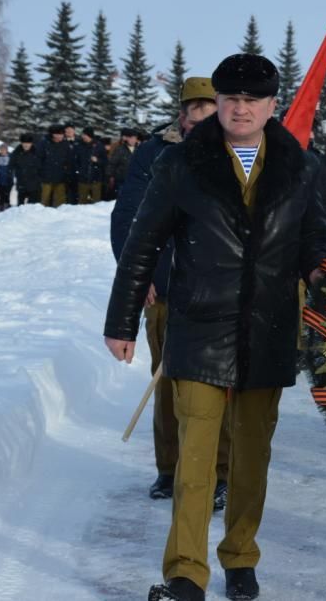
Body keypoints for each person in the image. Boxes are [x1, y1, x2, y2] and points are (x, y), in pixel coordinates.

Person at [104, 53, 326, 601]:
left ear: (272, 106)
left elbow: (316, 242)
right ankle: (185, 571)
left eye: (252, 100)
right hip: (198, 327)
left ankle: (240, 557)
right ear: (219, 105)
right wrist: (122, 320)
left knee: (251, 459)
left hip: (268, 329)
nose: (239, 109)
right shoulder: (183, 164)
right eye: (231, 99)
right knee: (195, 461)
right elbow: (142, 244)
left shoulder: (299, 166)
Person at [110, 76, 232, 507]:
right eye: (194, 110)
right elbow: (128, 219)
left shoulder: (233, 151)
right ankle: (170, 468)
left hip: (217, 293)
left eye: (209, 109)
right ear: (181, 115)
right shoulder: (153, 153)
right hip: (164, 288)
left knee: (217, 383)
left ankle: (218, 473)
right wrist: (139, 278)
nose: (201, 118)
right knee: (167, 382)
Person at [38, 124, 74, 207]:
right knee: (44, 200)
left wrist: (67, 172)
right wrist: (41, 173)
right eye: (58, 134)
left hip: (61, 177)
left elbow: (69, 160)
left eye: (62, 134)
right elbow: (38, 159)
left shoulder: (65, 144)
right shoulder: (44, 144)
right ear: (53, 134)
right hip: (46, 177)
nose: (60, 136)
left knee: (60, 201)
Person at [74, 127, 109, 203]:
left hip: (95, 179)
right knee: (82, 201)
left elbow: (105, 162)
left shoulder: (99, 146)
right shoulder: (79, 145)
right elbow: (75, 161)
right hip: (82, 178)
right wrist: (79, 171)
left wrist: (97, 161)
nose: (83, 137)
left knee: (96, 201)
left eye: (85, 135)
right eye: (83, 135)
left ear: (90, 136)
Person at [108, 127, 139, 197]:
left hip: (135, 179)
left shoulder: (140, 149)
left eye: (135, 138)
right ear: (127, 139)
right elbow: (112, 163)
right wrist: (111, 176)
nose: (133, 140)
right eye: (131, 138)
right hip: (122, 179)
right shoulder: (120, 149)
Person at [10, 133, 40, 205]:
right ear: (21, 143)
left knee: (32, 205)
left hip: (34, 183)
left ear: (31, 143)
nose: (26, 145)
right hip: (21, 182)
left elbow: (41, 167)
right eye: (24, 143)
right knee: (20, 204)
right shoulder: (16, 152)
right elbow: (11, 165)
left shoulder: (37, 152)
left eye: (28, 143)